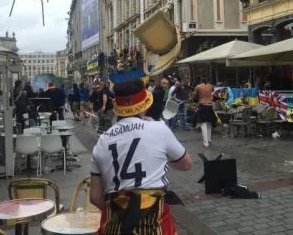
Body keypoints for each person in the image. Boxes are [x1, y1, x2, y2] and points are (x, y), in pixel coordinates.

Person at [90, 78, 192, 234]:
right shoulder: (159, 129)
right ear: (144, 106)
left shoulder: (102, 142)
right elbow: (186, 164)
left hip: (116, 227)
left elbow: (95, 197)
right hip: (155, 224)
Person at [192, 76, 215, 148]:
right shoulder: (211, 86)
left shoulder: (198, 86)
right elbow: (212, 93)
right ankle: (209, 139)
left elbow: (194, 95)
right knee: (209, 123)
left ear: (201, 80)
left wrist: (191, 100)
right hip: (209, 106)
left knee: (203, 125)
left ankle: (206, 143)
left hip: (202, 106)